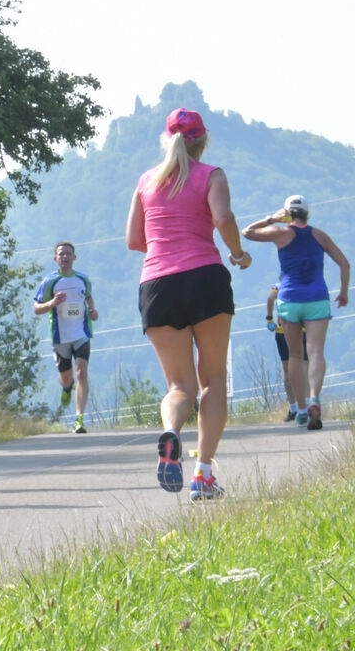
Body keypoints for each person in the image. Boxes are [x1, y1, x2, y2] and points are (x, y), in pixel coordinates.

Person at [125, 108, 252, 502]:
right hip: (205, 279)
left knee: (180, 386)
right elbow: (224, 216)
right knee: (212, 379)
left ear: (168, 140)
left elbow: (134, 239)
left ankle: (172, 435)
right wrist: (239, 252)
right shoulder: (211, 175)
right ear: (203, 140)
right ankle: (203, 475)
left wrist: (167, 249)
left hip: (157, 284)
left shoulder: (146, 181)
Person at [242, 195, 350, 431]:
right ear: (307, 214)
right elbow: (344, 263)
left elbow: (246, 232)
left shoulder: (279, 232)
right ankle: (314, 398)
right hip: (317, 298)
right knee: (316, 352)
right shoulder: (320, 235)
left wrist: (271, 218)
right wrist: (343, 293)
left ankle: (301, 410)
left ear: (288, 213)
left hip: (290, 299)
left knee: (295, 356)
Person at [33, 242, 98, 434]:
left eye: (68, 254)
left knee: (82, 373)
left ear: (74, 257)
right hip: (60, 337)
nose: (65, 257)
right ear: (55, 258)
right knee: (67, 378)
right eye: (61, 254)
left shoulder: (83, 279)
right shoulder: (49, 282)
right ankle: (67, 388)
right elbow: (36, 308)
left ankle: (79, 419)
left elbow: (88, 297)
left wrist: (93, 311)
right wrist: (53, 302)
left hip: (81, 334)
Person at [266, 283, 308, 423]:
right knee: (303, 368)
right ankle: (306, 406)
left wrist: (269, 319)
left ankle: (294, 408)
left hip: (282, 331)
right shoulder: (303, 282)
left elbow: (270, 299)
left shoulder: (278, 286)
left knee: (287, 369)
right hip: (301, 331)